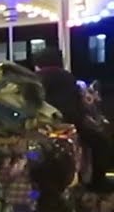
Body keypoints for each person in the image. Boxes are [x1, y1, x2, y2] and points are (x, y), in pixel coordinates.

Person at [35, 47, 111, 190]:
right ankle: (97, 180)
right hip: (68, 121)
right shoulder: (66, 76)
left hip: (42, 123)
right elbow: (77, 103)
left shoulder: (35, 78)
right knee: (101, 143)